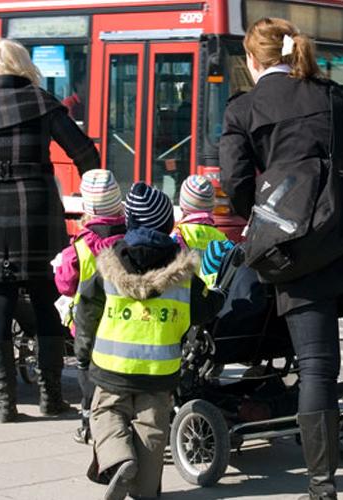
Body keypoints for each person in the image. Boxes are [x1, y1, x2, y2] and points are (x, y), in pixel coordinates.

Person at [219, 18, 343, 500]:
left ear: (253, 60)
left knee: (316, 369)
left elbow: (234, 179)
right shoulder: (333, 93)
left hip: (299, 250)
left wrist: (264, 217)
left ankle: (322, 488)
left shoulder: (243, 109)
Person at [0, 38, 100, 423]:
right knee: (48, 300)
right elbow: (85, 152)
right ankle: (51, 398)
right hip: (38, 211)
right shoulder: (41, 102)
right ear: (23, 65)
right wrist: (91, 195)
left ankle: (5, 405)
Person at [74, 183, 225, 500]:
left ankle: (118, 460)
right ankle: (145, 491)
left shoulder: (109, 264)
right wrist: (218, 296)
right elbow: (204, 310)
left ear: (129, 222)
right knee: (153, 428)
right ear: (168, 223)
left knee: (105, 413)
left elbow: (87, 310)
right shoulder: (183, 273)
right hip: (159, 370)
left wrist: (83, 353)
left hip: (111, 366)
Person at [53, 168, 127, 444]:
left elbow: (65, 284)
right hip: (121, 320)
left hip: (86, 323)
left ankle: (88, 420)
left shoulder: (81, 247)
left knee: (87, 371)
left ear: (87, 206)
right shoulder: (128, 239)